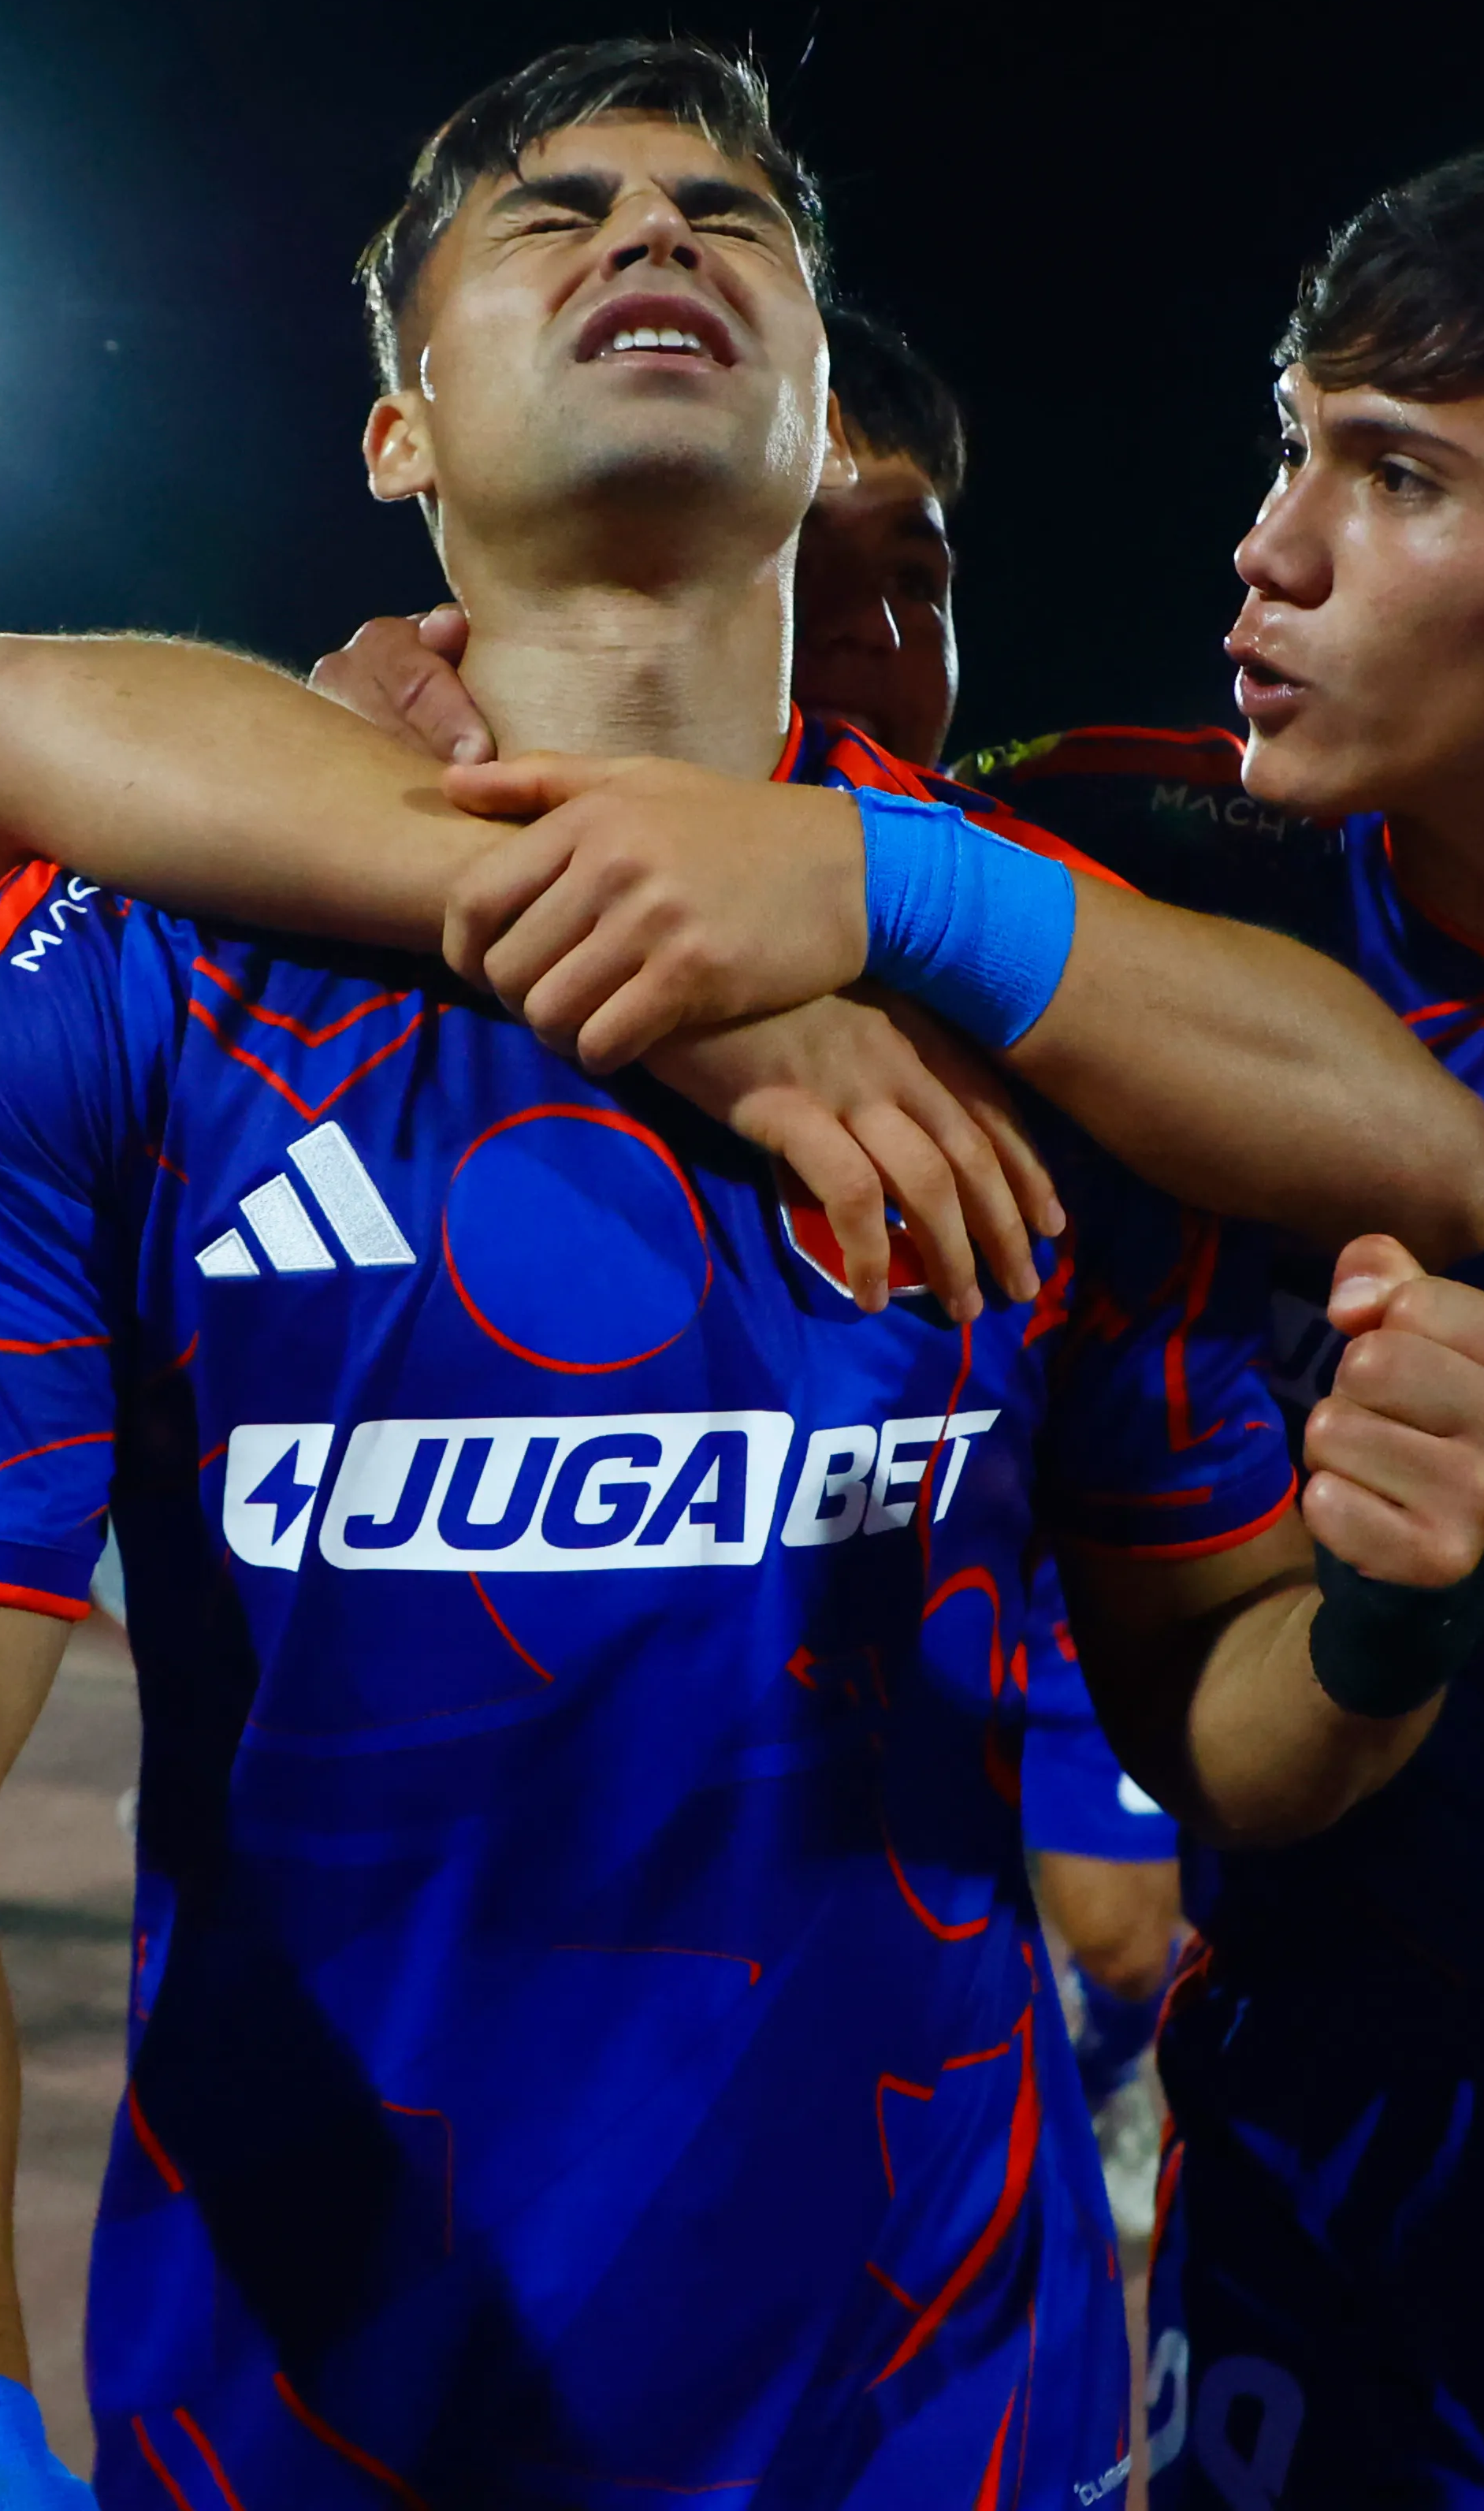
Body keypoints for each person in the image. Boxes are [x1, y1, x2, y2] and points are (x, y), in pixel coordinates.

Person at [300, 133, 1484, 2511]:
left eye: (1395, 474)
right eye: (1288, 435)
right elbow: (100, 737)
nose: (1267, 541)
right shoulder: (1098, 884)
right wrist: (388, 723)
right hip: (1306, 2105)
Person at [0, 38, 1484, 2509]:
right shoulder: (120, 970)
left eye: (729, 213)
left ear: (818, 413)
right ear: (399, 438)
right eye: (550, 210)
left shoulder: (1032, 984)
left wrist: (1383, 1616)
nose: (648, 234)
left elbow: (1217, 1701)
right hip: (304, 2427)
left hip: (944, 2420)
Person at [319, 301, 1196, 2215]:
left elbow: (1399, 1129)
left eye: (923, 580)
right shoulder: (399, 810)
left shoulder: (1061, 854)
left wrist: (881, 884)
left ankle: (1112, 2076)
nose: (885, 646)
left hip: (1101, 1577)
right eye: (822, 573)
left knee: (1124, 1936)